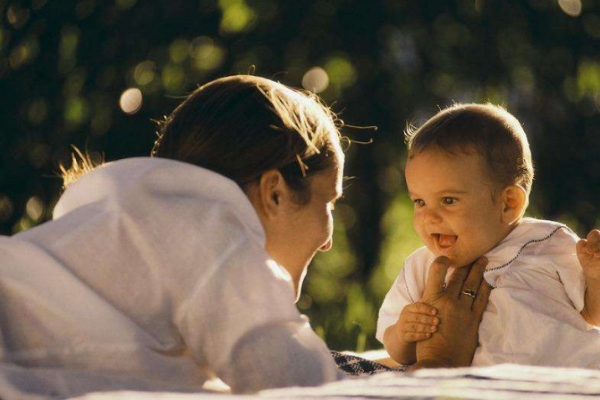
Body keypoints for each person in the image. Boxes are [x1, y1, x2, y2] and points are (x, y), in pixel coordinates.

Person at [0, 76, 489, 399]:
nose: (327, 240)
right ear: (274, 192)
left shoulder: (124, 227)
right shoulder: (206, 234)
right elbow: (299, 390)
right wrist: (439, 371)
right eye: (329, 204)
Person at [377, 103, 600, 368]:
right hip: (480, 388)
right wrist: (403, 332)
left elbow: (592, 314)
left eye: (448, 200)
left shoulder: (546, 241)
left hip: (569, 380)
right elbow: (397, 351)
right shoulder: (422, 269)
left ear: (509, 204)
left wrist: (595, 277)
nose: (428, 217)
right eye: (419, 202)